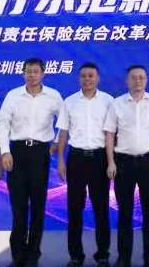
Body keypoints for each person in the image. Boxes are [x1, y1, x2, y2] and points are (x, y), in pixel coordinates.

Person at [0, 57, 64, 267]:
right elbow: (2, 124)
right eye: (28, 71)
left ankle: (33, 254)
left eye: (36, 71)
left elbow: (65, 122)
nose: (32, 75)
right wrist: (5, 152)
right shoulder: (13, 95)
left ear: (43, 73)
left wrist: (55, 143)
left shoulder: (53, 96)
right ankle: (17, 255)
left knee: (37, 205)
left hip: (40, 154)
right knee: (18, 207)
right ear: (23, 73)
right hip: (16, 153)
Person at [103, 65, 149, 267]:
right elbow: (109, 134)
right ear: (127, 81)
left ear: (146, 80)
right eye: (133, 77)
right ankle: (124, 257)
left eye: (141, 77)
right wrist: (111, 162)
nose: (138, 81)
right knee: (125, 212)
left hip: (148, 161)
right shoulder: (117, 103)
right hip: (123, 162)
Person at [56, 63, 114, 267]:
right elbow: (63, 133)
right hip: (77, 158)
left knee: (101, 208)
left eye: (91, 75)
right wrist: (61, 160)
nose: (87, 79)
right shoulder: (70, 101)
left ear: (97, 78)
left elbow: (112, 133)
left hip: (100, 158)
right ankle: (75, 255)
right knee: (74, 208)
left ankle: (103, 254)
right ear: (79, 78)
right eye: (83, 76)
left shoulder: (108, 101)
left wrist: (111, 161)